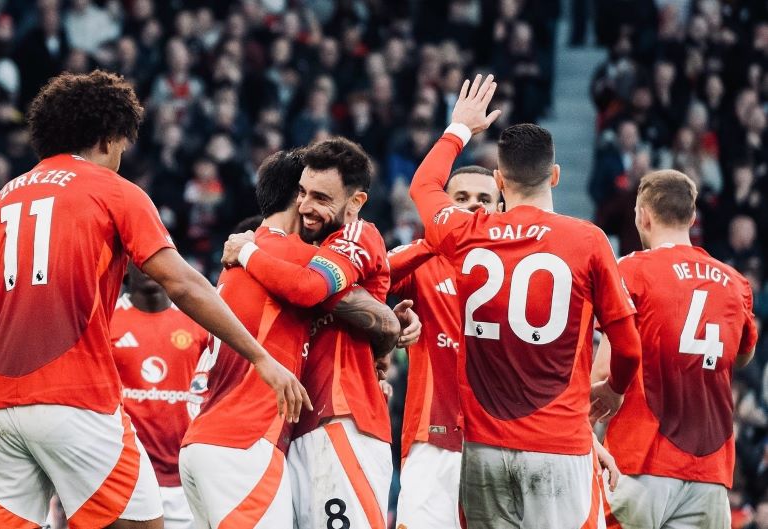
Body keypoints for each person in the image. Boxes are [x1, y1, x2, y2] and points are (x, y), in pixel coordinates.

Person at [0, 70, 308, 529]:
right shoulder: (114, 191)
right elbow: (182, 284)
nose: (120, 158)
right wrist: (260, 357)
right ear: (107, 137)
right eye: (121, 146)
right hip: (76, 400)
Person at [409, 74, 642, 528]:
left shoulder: (466, 233)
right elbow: (629, 346)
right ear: (555, 175)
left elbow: (423, 186)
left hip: (482, 446)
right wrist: (614, 389)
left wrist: (459, 128)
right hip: (558, 446)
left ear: (498, 180)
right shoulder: (588, 241)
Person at [181, 149, 405, 528]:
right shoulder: (292, 255)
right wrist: (392, 328)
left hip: (210, 441)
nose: (308, 207)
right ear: (294, 196)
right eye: (304, 194)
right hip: (248, 442)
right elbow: (343, 302)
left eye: (320, 197)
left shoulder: (245, 259)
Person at [591, 169, 758, 529]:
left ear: (643, 216)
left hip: (641, 460)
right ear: (692, 216)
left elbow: (603, 372)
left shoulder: (631, 270)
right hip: (711, 472)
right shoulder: (735, 281)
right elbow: (743, 355)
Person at [388, 165, 500, 528]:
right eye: (461, 198)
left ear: (500, 209)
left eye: (484, 199)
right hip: (432, 436)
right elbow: (369, 277)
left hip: (501, 443)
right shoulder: (423, 260)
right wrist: (393, 319)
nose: (472, 206)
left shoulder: (522, 269)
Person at [111, 265, 210, 529]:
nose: (147, 267)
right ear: (125, 267)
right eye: (139, 260)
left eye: (153, 259)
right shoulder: (107, 321)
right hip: (128, 473)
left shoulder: (198, 321)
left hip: (186, 474)